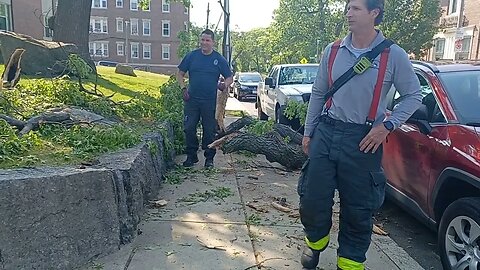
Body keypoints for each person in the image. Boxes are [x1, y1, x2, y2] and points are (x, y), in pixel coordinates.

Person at [298, 0, 422, 269]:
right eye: (347, 8)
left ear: (374, 13)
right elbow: (319, 93)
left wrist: (387, 126)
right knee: (312, 197)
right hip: (327, 132)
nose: (348, 13)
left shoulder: (393, 54)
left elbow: (414, 95)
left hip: (363, 140)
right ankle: (315, 243)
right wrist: (308, 133)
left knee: (359, 209)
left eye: (355, 8)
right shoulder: (332, 51)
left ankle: (350, 263)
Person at [176, 29, 233, 168]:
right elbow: (179, 73)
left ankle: (209, 159)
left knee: (209, 130)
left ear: (213, 42)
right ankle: (191, 156)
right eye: (202, 40)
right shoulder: (191, 56)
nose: (204, 43)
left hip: (209, 101)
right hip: (192, 100)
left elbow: (229, 78)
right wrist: (183, 88)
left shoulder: (218, 59)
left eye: (207, 40)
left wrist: (223, 85)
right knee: (189, 128)